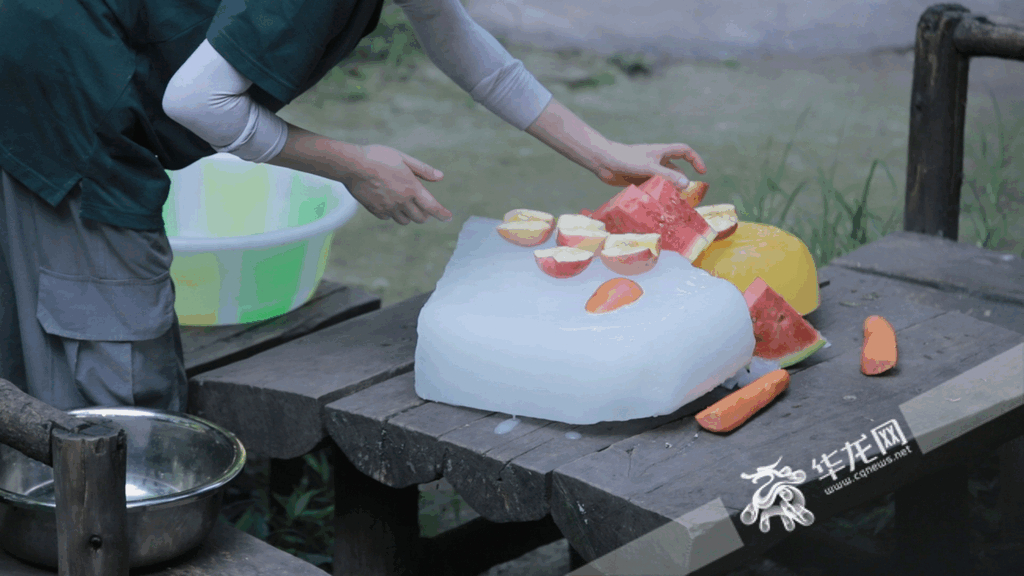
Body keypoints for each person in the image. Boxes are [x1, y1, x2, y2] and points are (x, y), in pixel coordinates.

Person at [0, 0, 707, 413]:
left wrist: (601, 152)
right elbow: (198, 99)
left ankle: (44, 504)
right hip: (59, 73)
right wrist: (354, 167)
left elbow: (458, 40)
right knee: (118, 344)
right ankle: (110, 525)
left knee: (27, 317)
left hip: (37, 46)